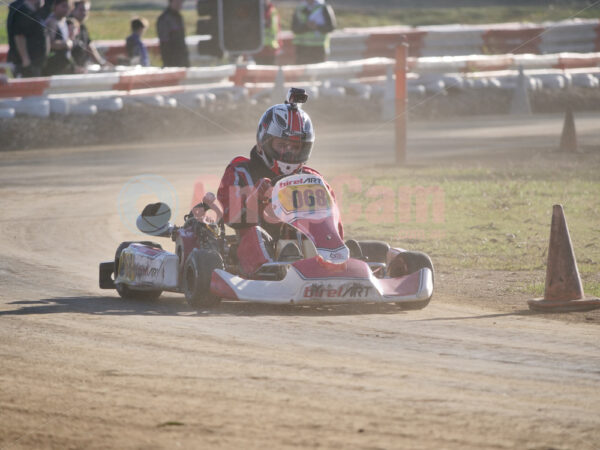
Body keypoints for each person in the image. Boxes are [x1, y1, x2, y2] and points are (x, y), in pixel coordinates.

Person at [217, 90, 343, 277]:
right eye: (282, 145)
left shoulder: (312, 179)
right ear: (264, 141)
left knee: (343, 246)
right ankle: (274, 270)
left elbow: (333, 227)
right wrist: (255, 199)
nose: (289, 153)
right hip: (254, 247)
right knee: (256, 234)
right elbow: (232, 218)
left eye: (296, 147)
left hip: (305, 244)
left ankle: (331, 265)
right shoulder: (241, 171)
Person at [9, 0, 48, 77]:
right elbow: (19, 36)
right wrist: (25, 60)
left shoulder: (32, 11)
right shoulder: (24, 12)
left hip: (35, 63)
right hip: (27, 65)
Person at [291, 0, 336, 65]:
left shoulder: (323, 7)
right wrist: (306, 26)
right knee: (303, 73)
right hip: (302, 48)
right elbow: (294, 28)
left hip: (318, 47)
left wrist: (317, 27)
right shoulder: (299, 8)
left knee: (318, 72)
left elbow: (331, 27)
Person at [70, 0, 105, 72]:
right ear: (73, 10)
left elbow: (89, 47)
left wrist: (101, 62)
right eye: (81, 10)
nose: (84, 13)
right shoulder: (69, 26)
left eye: (86, 10)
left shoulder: (82, 27)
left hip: (81, 67)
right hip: (72, 69)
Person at [43, 0, 74, 76]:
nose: (66, 9)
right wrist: (66, 44)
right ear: (55, 6)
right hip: (53, 64)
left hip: (63, 62)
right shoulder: (52, 21)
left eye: (68, 7)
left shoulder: (64, 21)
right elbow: (50, 43)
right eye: (63, 6)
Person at [157, 0, 189, 68]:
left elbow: (182, 40)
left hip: (182, 60)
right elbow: (164, 42)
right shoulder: (164, 18)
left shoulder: (178, 17)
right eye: (178, 2)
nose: (180, 4)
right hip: (171, 60)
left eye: (181, 2)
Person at [253, 0, 280, 65]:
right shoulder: (255, 11)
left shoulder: (272, 11)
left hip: (270, 48)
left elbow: (276, 29)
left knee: (271, 70)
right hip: (258, 48)